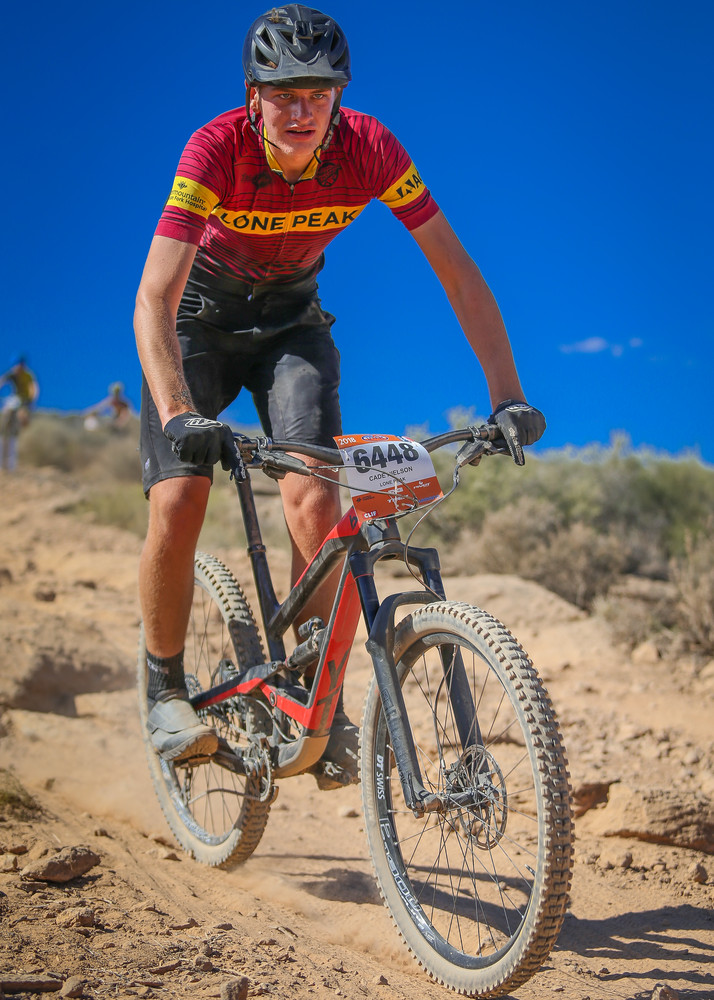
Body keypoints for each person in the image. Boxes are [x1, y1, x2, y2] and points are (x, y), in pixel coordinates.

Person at [134, 5, 545, 785]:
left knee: (319, 500)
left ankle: (308, 692)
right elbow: (154, 296)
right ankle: (164, 688)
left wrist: (508, 396)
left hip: (291, 326)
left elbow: (457, 272)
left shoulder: (371, 149)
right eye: (283, 94)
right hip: (198, 321)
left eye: (318, 95)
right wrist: (180, 409)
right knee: (180, 497)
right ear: (252, 97)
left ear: (340, 97)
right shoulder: (214, 150)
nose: (301, 111)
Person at [0, 356, 39, 471]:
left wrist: (32, 400)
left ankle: (11, 465)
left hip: (24, 402)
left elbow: (33, 388)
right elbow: (2, 381)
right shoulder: (12, 375)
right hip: (14, 400)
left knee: (16, 429)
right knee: (5, 428)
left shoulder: (28, 375)